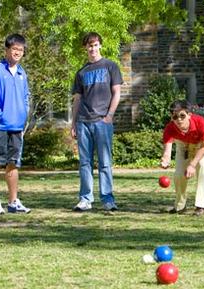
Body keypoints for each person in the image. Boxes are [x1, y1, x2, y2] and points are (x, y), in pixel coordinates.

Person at [70, 32, 123, 213]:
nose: (92, 48)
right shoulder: (81, 72)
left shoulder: (110, 66)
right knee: (85, 163)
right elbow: (77, 99)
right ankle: (85, 199)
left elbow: (117, 92)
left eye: (95, 45)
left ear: (100, 45)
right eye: (89, 45)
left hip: (102, 121)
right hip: (83, 122)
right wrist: (73, 123)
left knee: (105, 162)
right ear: (85, 48)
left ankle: (107, 199)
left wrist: (109, 116)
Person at [0, 33, 31, 214]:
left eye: (21, 49)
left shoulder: (21, 73)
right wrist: (0, 115)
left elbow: (26, 97)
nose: (17, 52)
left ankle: (13, 202)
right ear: (7, 50)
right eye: (14, 49)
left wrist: (23, 113)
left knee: (13, 163)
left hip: (17, 127)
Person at [160, 100, 204, 216]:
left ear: (189, 115)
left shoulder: (201, 123)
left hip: (201, 144)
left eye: (182, 116)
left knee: (202, 166)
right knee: (179, 174)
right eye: (175, 116)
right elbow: (167, 150)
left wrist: (192, 164)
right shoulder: (169, 128)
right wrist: (166, 159)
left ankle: (201, 205)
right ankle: (180, 206)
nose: (178, 119)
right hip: (183, 143)